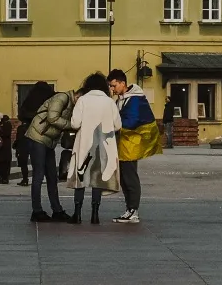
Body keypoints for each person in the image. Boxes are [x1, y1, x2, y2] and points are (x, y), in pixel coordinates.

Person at [62, 73, 121, 224]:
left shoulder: (82, 100)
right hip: (103, 145)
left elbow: (75, 124)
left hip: (84, 144)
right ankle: (95, 214)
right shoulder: (109, 102)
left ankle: (77, 214)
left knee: (80, 178)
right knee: (97, 180)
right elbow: (118, 125)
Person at [19, 81, 76, 223]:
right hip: (38, 137)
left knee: (51, 175)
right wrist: (72, 125)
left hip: (48, 140)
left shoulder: (66, 102)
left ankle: (56, 210)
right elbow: (53, 118)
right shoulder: (61, 98)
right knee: (39, 174)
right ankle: (37, 211)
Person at [109, 68, 157, 224]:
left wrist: (114, 124)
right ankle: (129, 209)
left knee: (130, 177)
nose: (112, 89)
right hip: (123, 143)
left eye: (114, 85)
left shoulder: (136, 99)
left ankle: (133, 211)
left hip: (131, 144)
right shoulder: (122, 99)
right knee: (124, 178)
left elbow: (132, 120)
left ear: (123, 83)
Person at [0, 115, 14, 185]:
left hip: (4, 147)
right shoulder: (2, 125)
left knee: (4, 164)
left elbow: (5, 134)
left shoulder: (7, 124)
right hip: (2, 148)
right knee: (1, 164)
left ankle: (4, 178)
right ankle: (2, 178)